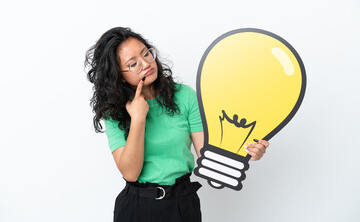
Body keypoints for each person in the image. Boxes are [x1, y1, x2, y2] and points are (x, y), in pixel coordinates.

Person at [84, 27, 269, 222]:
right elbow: (130, 173)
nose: (146, 63)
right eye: (133, 64)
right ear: (119, 75)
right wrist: (138, 119)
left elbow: (206, 153)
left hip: (182, 204)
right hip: (135, 207)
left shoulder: (185, 96)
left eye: (146, 53)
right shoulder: (115, 110)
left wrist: (245, 152)